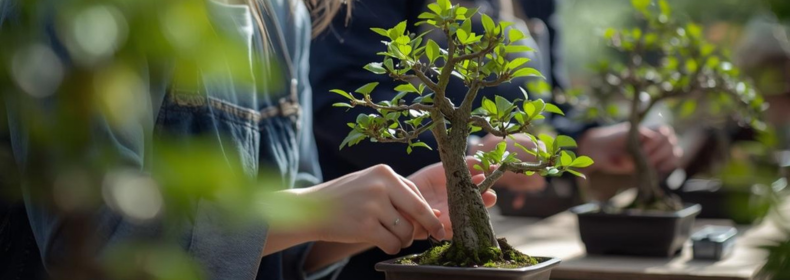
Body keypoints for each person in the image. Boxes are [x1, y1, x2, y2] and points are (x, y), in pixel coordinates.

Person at [1, 0, 494, 279]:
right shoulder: (83, 14)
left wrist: (389, 210)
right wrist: (308, 211)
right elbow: (98, 241)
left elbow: (286, 255)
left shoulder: (285, 14)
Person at [310, 0, 683, 279]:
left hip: (514, 231)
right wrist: (474, 151)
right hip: (371, 246)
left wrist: (582, 141)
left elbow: (546, 101)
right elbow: (341, 102)